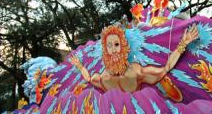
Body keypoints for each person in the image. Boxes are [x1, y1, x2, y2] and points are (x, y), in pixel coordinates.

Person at [71, 24, 199, 92]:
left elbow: (166, 69)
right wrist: (79, 66)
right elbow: (88, 79)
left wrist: (183, 44)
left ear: (124, 46)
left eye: (116, 44)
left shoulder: (136, 71)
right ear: (105, 49)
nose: (114, 50)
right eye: (109, 46)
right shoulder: (102, 77)